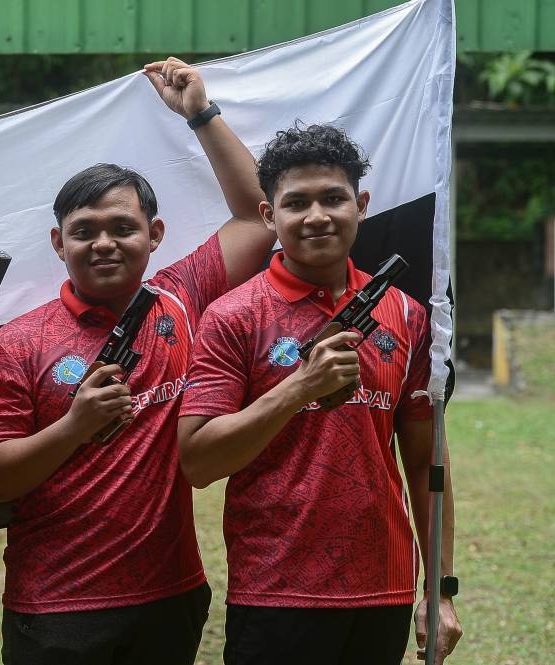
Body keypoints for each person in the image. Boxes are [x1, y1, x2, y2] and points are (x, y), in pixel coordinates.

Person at [0, 57, 275, 664]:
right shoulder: (19, 341)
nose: (103, 243)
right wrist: (75, 426)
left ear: (154, 234)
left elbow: (257, 217)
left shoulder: (180, 300)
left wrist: (200, 114)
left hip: (171, 595)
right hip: (53, 608)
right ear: (59, 243)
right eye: (84, 231)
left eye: (122, 227)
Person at [176, 123, 463, 665]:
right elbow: (198, 461)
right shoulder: (233, 316)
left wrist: (440, 590)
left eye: (333, 198)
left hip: (385, 590)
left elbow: (427, 461)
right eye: (296, 202)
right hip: (274, 590)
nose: (316, 216)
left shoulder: (405, 314)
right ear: (269, 216)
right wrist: (298, 388)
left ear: (362, 205)